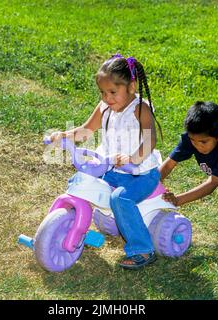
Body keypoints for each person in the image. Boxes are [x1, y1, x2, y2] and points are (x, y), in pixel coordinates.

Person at [49, 53, 163, 269]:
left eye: (113, 92)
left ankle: (142, 250)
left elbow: (150, 139)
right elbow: (86, 130)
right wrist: (64, 135)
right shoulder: (104, 107)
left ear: (131, 86)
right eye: (103, 92)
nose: (107, 98)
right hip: (110, 167)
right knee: (82, 179)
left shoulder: (140, 109)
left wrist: (133, 158)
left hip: (140, 173)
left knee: (121, 199)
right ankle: (70, 225)